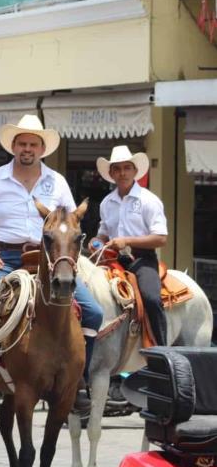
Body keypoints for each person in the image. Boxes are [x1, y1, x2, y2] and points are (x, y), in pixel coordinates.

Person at [0, 114, 103, 417]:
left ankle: (79, 382)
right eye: (22, 143)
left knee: (95, 312)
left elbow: (70, 225)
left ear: (42, 148)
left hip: (47, 261)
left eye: (33, 143)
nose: (27, 148)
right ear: (13, 147)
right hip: (2, 259)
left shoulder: (57, 181)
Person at [91, 145, 168, 346]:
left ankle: (162, 349)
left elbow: (161, 238)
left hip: (142, 260)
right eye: (117, 168)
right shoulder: (106, 203)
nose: (122, 173)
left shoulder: (149, 200)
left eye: (127, 167)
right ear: (111, 173)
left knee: (151, 298)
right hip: (113, 259)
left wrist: (127, 241)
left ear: (135, 171)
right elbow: (102, 234)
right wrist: (95, 242)